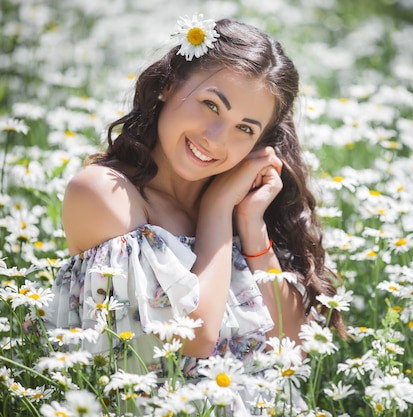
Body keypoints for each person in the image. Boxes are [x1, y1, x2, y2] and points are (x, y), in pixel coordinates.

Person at [46, 15, 344, 384]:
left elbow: (294, 350)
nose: (216, 138)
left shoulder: (240, 208)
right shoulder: (105, 193)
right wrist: (216, 210)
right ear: (168, 85)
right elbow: (196, 336)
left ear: (259, 144)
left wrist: (252, 227)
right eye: (211, 105)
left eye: (245, 129)